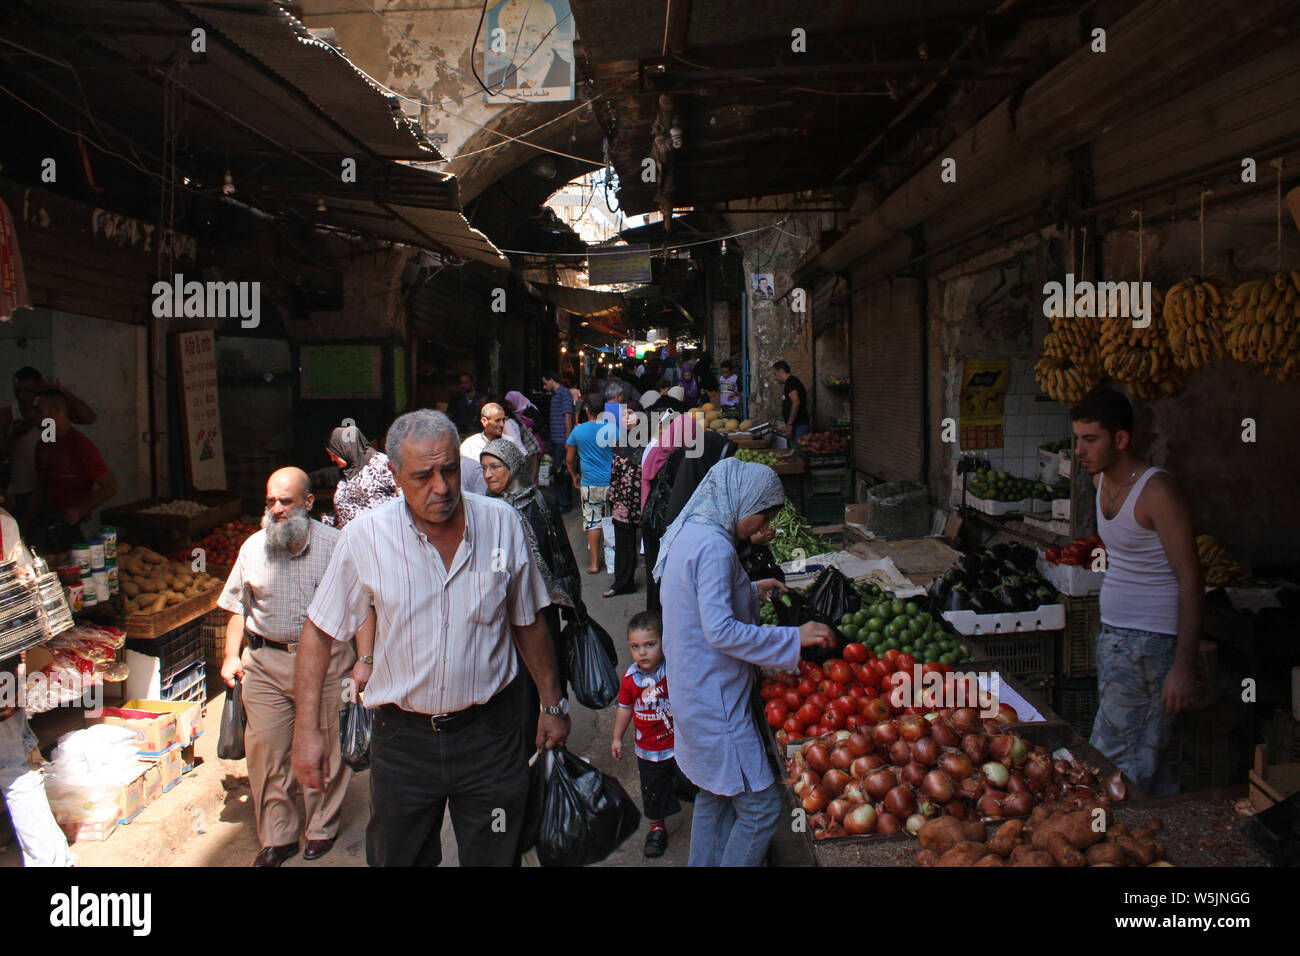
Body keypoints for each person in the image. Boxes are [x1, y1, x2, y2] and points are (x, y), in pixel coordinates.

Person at [291, 410, 568, 867]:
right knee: (399, 857)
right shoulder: (366, 537)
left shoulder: (501, 524)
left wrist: (552, 704)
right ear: (395, 476)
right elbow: (319, 633)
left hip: (491, 736)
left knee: (496, 854)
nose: (441, 487)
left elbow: (528, 620)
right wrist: (306, 733)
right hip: (403, 742)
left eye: (450, 470)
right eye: (423, 476)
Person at [654, 458, 833, 866]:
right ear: (742, 501)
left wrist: (750, 590)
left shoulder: (692, 531)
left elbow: (699, 601)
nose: (762, 525)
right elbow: (720, 631)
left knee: (713, 796)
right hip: (714, 701)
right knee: (762, 809)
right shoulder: (716, 547)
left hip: (691, 689)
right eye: (763, 514)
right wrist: (794, 636)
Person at [218, 467, 356, 867]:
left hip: (329, 663)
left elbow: (363, 606)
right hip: (264, 663)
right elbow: (235, 608)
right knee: (265, 751)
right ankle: (277, 836)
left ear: (309, 504)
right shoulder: (252, 548)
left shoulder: (338, 545)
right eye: (270, 502)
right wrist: (230, 655)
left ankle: (320, 827)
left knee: (326, 745)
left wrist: (365, 661)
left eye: (286, 501)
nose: (276, 509)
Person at [1071, 387, 1200, 796]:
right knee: (1145, 757)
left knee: (1114, 763)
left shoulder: (1157, 491)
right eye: (1078, 438)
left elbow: (1192, 578)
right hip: (1115, 638)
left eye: (1090, 439)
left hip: (1152, 644)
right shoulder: (1099, 483)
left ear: (1121, 439)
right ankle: (1165, 838)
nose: (1079, 449)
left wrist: (1183, 666)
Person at [479, 437, 582, 746]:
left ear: (513, 467)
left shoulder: (540, 501)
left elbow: (561, 550)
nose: (489, 475)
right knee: (517, 683)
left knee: (549, 672)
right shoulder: (486, 510)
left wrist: (574, 601)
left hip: (543, 604)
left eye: (495, 467)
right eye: (484, 468)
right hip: (506, 609)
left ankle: (553, 741)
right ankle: (525, 748)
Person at [0, 509, 75, 867]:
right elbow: (28, 594)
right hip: (3, 668)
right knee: (14, 767)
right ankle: (53, 862)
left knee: (13, 764)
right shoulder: (4, 523)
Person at [611, 610, 696, 857]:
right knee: (653, 790)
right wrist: (617, 737)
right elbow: (625, 709)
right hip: (648, 750)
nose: (643, 652)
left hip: (678, 745)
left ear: (663, 643)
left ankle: (708, 818)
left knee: (692, 782)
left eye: (650, 645)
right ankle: (657, 828)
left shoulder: (671, 672)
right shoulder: (630, 679)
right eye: (635, 647)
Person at [640, 412, 735, 613]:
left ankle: (656, 618)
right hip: (662, 524)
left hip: (652, 521)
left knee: (656, 580)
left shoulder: (660, 450)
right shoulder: (678, 459)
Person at [26, 389, 117, 553]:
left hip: (74, 527)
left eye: (38, 409)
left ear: (55, 411)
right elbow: (41, 482)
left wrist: (79, 510)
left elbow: (110, 486)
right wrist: (26, 520)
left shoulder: (80, 445)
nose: (33, 414)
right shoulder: (46, 441)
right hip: (48, 522)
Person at [2, 369, 96, 519]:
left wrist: (62, 392)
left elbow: (88, 418)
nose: (22, 396)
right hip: (20, 492)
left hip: (48, 492)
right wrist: (13, 436)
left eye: (28, 390)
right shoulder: (8, 416)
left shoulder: (49, 417)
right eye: (18, 391)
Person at [567, 394, 615, 575]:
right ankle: (612, 564)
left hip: (589, 484)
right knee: (610, 521)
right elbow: (620, 454)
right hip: (610, 482)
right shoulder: (612, 429)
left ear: (586, 410)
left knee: (593, 523)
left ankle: (595, 564)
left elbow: (569, 459)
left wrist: (574, 475)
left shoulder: (577, 431)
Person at [321, 425, 399, 529]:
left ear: (345, 448)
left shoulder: (380, 464)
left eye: (334, 455)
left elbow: (403, 493)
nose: (332, 459)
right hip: (352, 539)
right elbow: (347, 506)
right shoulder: (346, 473)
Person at [605, 404, 644, 598]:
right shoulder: (619, 441)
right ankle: (623, 583)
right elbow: (615, 473)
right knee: (623, 544)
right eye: (624, 416)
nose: (627, 419)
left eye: (631, 415)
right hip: (622, 500)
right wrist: (613, 497)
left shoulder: (648, 442)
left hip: (643, 500)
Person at [459, 402, 509, 496]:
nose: (502, 424)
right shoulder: (470, 445)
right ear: (484, 421)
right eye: (497, 420)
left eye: (503, 420)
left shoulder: (510, 443)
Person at [542, 371, 575, 512]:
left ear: (551, 380)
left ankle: (564, 503)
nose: (544, 386)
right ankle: (564, 502)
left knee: (561, 472)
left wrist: (568, 440)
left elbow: (568, 416)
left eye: (545, 382)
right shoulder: (557, 394)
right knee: (561, 471)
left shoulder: (564, 393)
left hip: (562, 440)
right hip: (558, 439)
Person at [771, 361, 810, 441]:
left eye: (775, 374)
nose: (775, 378)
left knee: (798, 451)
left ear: (781, 371)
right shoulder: (789, 383)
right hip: (796, 426)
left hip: (799, 426)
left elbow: (796, 403)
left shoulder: (792, 382)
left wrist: (790, 424)